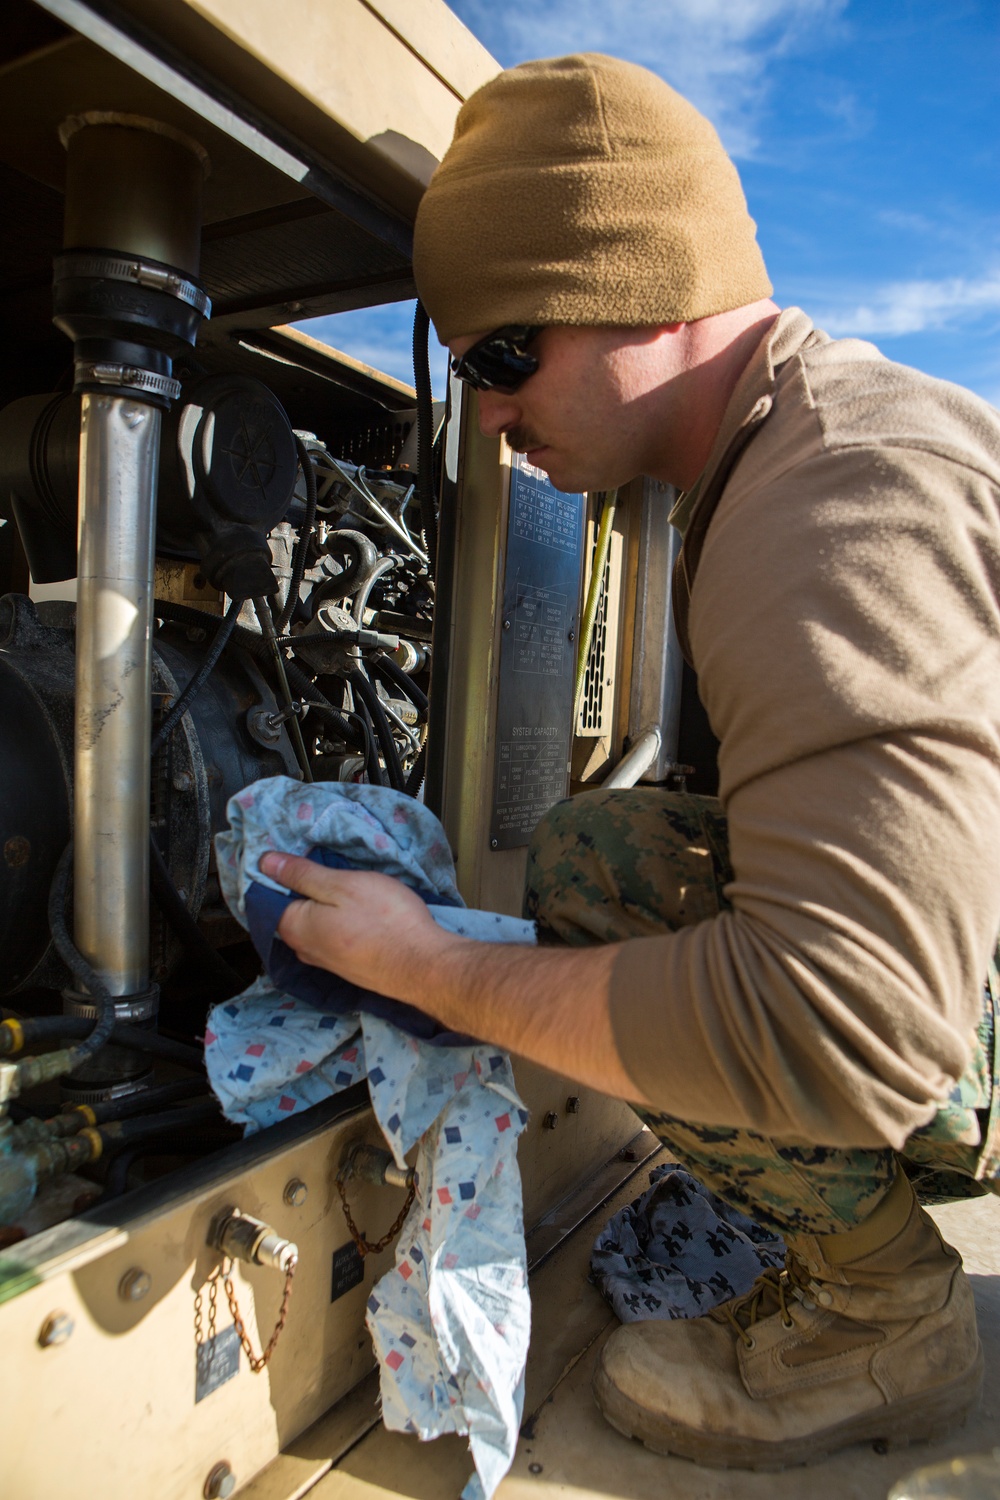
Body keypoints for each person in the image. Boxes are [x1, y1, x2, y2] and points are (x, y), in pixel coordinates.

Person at [259, 54, 1000, 1470]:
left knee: (606, 871)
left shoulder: (834, 494)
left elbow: (848, 1021)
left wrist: (421, 965)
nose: (485, 413)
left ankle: (885, 1321)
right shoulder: (794, 453)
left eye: (500, 357)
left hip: (929, 1008)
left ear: (646, 285)